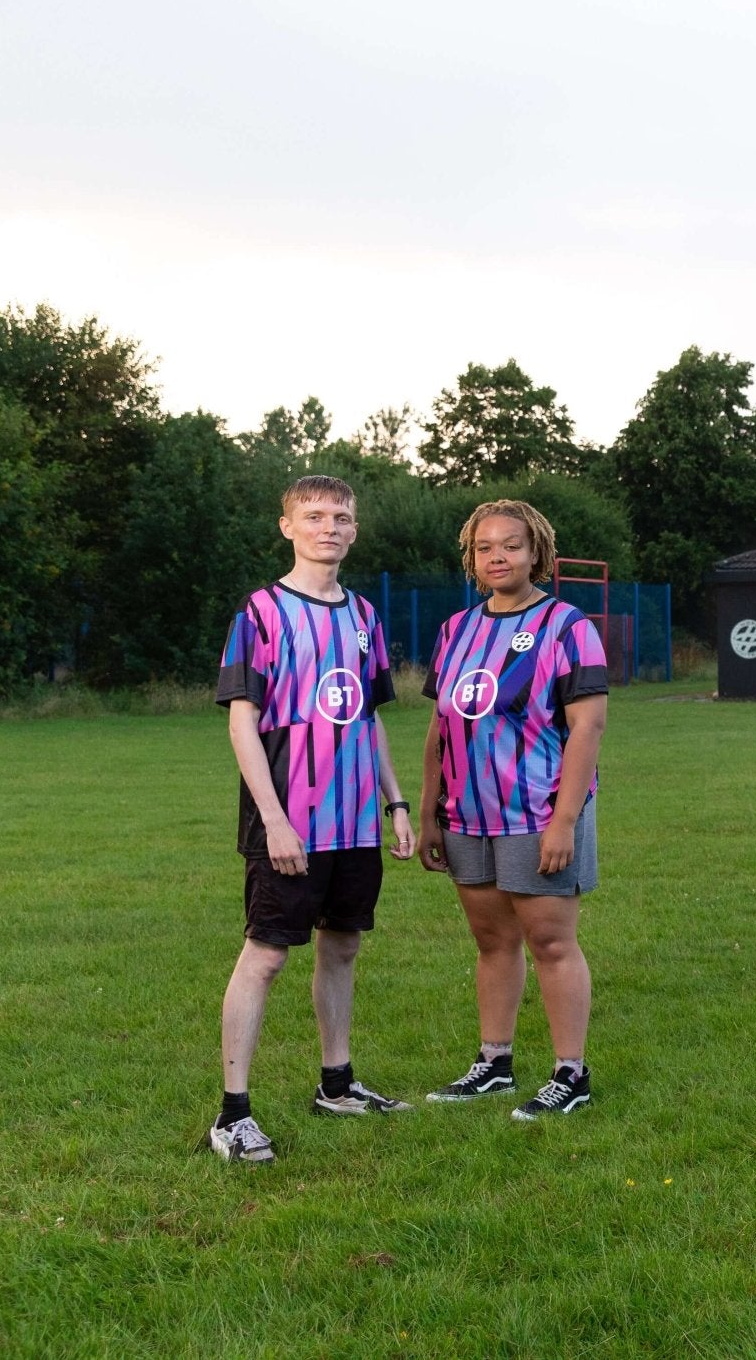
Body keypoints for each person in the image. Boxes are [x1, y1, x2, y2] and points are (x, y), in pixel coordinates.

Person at [211, 475, 416, 1163]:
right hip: (290, 820)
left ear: (354, 529)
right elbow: (243, 725)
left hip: (355, 821)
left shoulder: (363, 616)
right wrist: (273, 819)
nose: (330, 526)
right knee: (266, 953)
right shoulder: (261, 612)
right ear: (288, 526)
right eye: (315, 515)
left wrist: (396, 801)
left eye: (341, 516)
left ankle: (337, 1083)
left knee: (343, 946)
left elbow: (370, 716)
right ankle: (232, 1114)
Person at [419, 499, 608, 1119]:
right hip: (467, 813)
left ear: (537, 554)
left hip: (537, 811)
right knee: (491, 939)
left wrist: (565, 820)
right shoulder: (455, 630)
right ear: (471, 559)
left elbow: (588, 728)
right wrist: (429, 813)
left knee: (551, 942)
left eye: (511, 546)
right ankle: (494, 1064)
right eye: (484, 548)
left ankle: (570, 1074)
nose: (497, 557)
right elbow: (440, 727)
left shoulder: (567, 626)